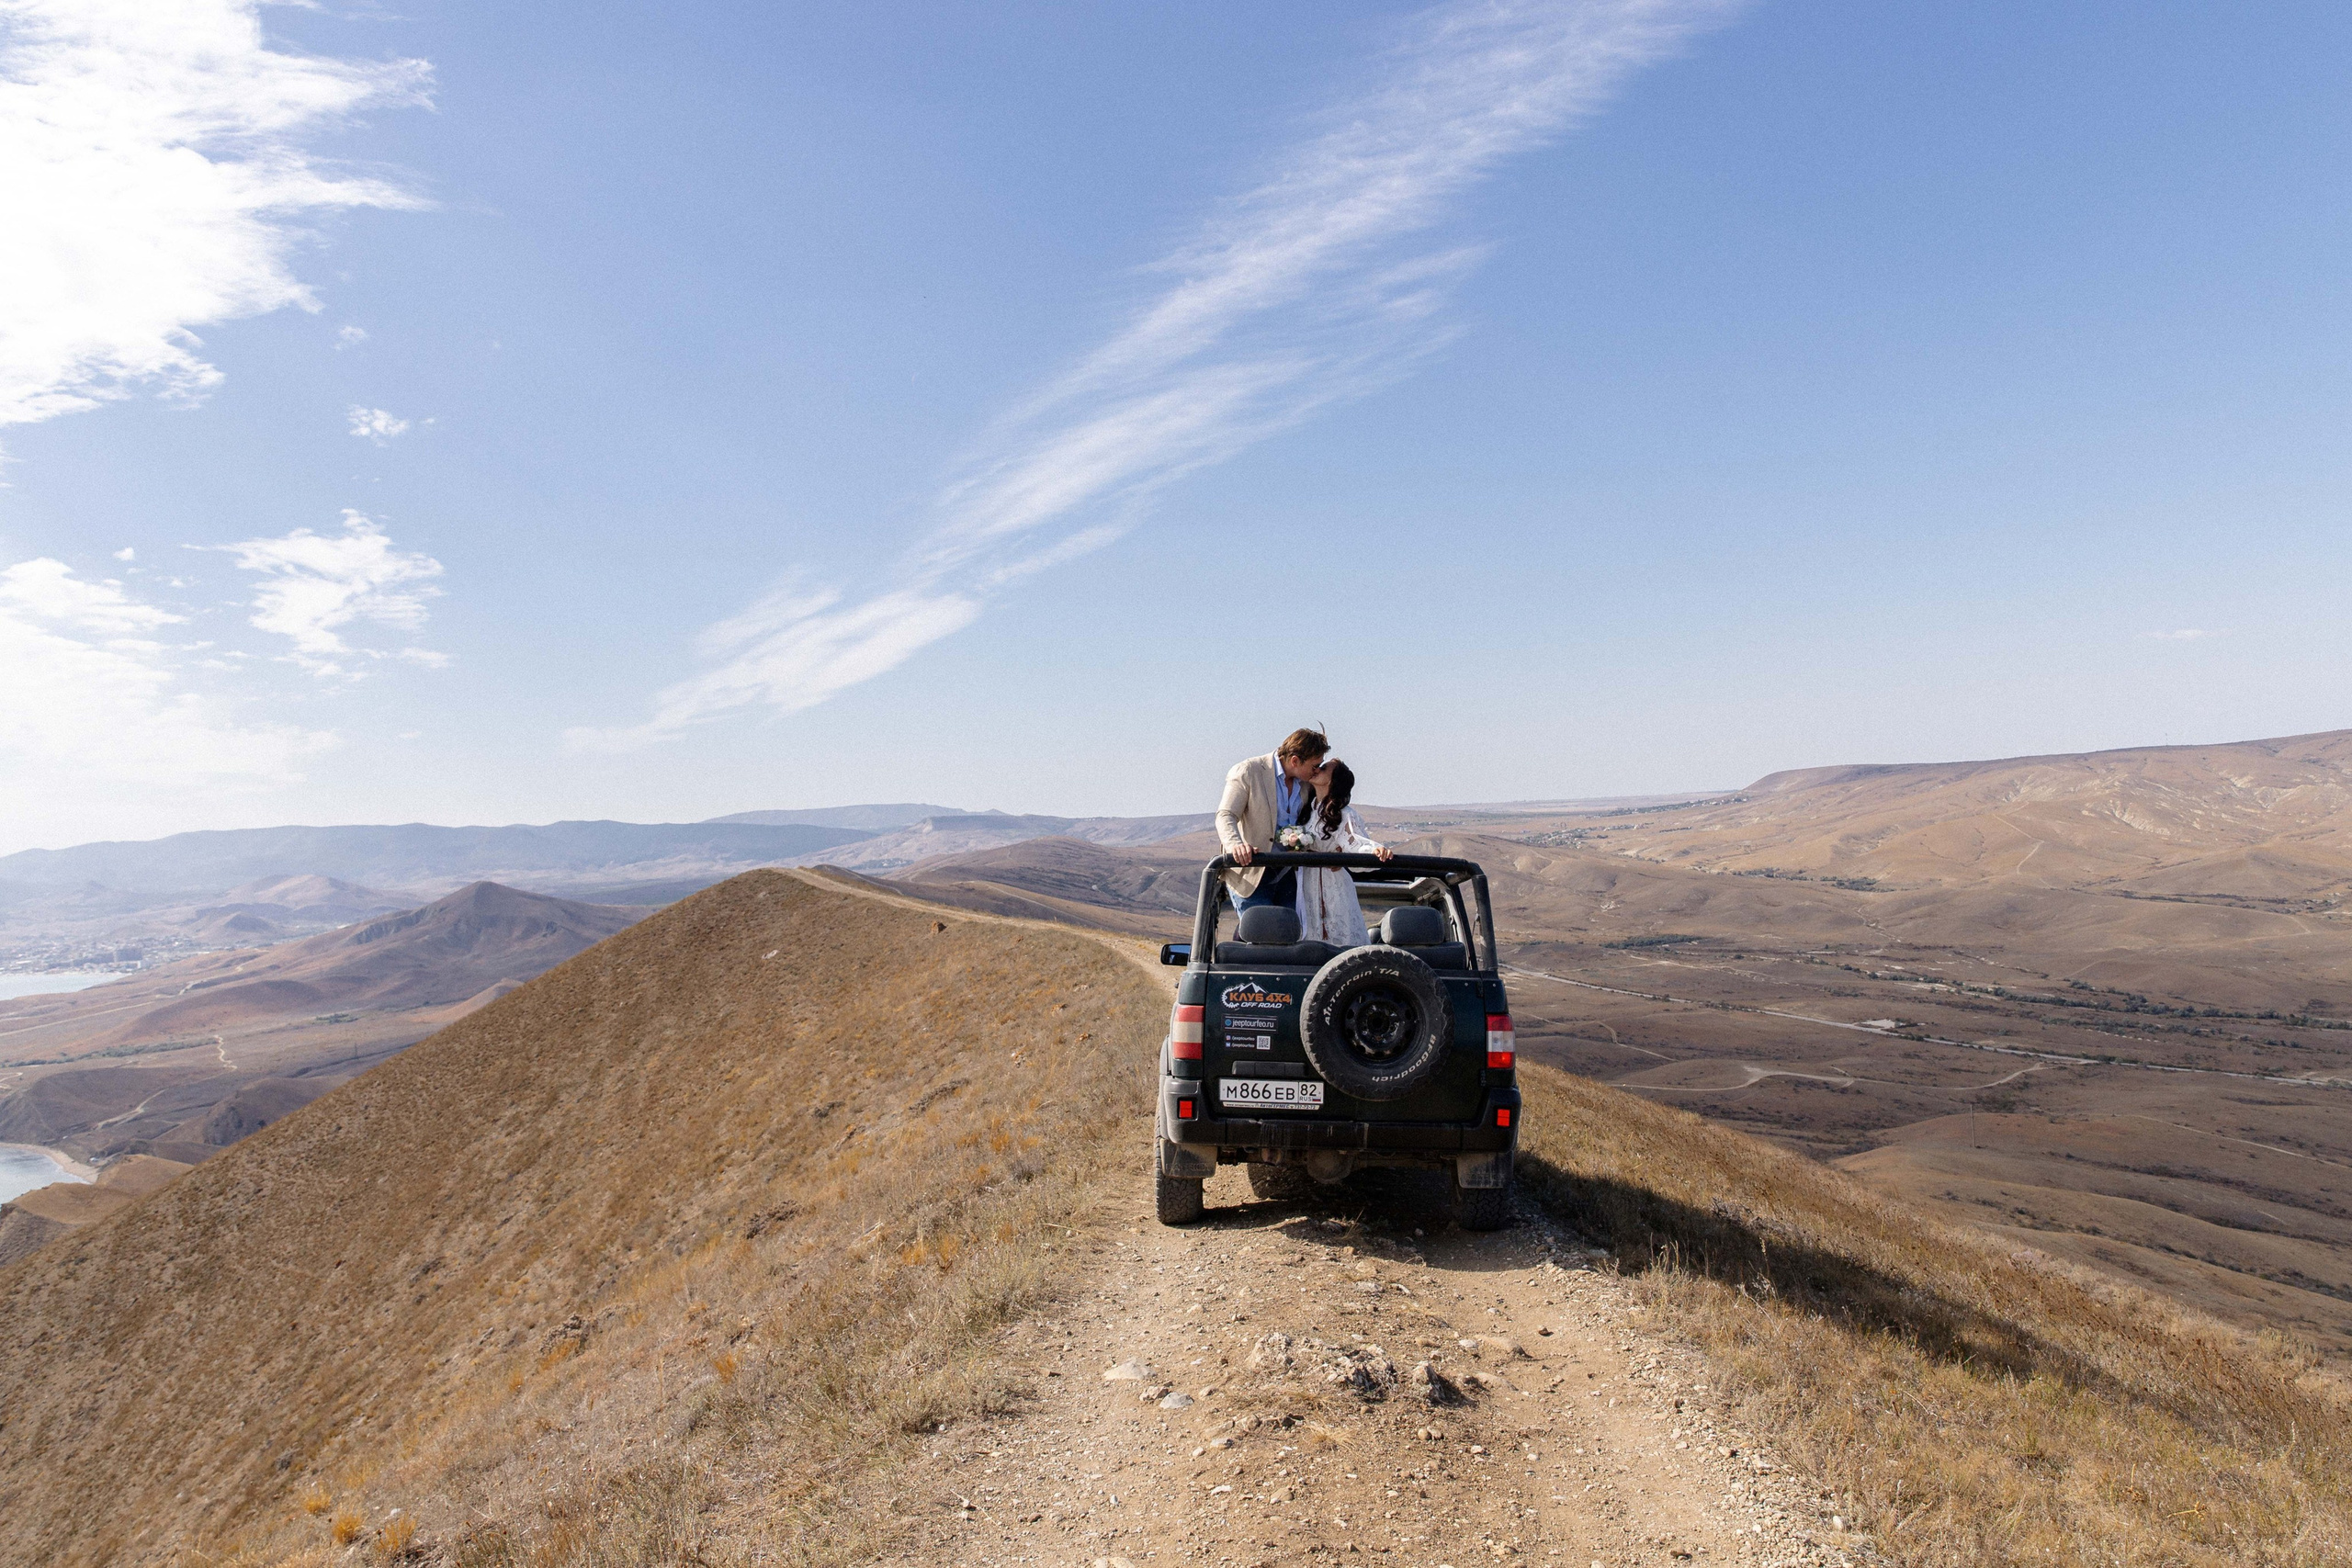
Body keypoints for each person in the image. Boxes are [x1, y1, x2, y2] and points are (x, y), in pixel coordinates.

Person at [1216, 728, 1329, 911]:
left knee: (1292, 933)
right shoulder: (1248, 770)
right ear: (1295, 761)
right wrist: (1235, 845)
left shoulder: (1307, 781)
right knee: (1261, 933)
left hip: (1289, 873)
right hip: (1252, 872)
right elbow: (1225, 815)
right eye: (1314, 766)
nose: (1317, 771)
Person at [1292, 760, 1393, 945]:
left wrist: (1374, 850)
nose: (1317, 770)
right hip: (1306, 884)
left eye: (1323, 769)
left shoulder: (1344, 814)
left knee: (1338, 935)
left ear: (1333, 780)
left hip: (1332, 883)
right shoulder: (1306, 810)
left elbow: (1355, 842)